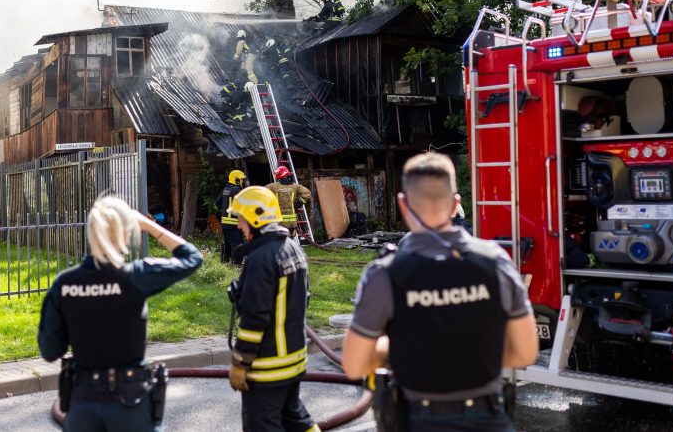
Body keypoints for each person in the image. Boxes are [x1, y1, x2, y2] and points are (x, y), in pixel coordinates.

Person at [341, 152, 537, 431]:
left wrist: (392, 347)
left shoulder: (384, 274)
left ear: (403, 204)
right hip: (489, 416)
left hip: (419, 419)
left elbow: (354, 364)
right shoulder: (496, 263)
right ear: (456, 204)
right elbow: (525, 352)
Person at [38, 196, 203, 432]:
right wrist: (150, 226)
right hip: (130, 400)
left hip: (83, 401)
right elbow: (193, 258)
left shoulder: (64, 284)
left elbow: (50, 350)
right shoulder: (134, 277)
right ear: (126, 233)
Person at [225, 186, 319, 432]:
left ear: (256, 218)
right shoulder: (292, 248)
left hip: (269, 366)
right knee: (295, 419)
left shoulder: (261, 258)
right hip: (295, 361)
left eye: (241, 219)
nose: (238, 225)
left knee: (263, 426)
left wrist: (240, 362)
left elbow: (255, 318)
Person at [266, 166, 311, 232]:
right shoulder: (295, 186)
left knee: (279, 241)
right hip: (291, 223)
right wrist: (298, 203)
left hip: (278, 223)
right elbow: (307, 193)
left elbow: (260, 194)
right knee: (290, 240)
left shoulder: (271, 186)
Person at [220, 169, 248, 265]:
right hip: (233, 224)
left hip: (225, 223)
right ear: (236, 180)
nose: (243, 182)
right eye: (241, 179)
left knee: (227, 244)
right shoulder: (237, 190)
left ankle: (224, 263)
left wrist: (225, 208)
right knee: (237, 245)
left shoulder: (226, 189)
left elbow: (217, 203)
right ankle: (237, 265)